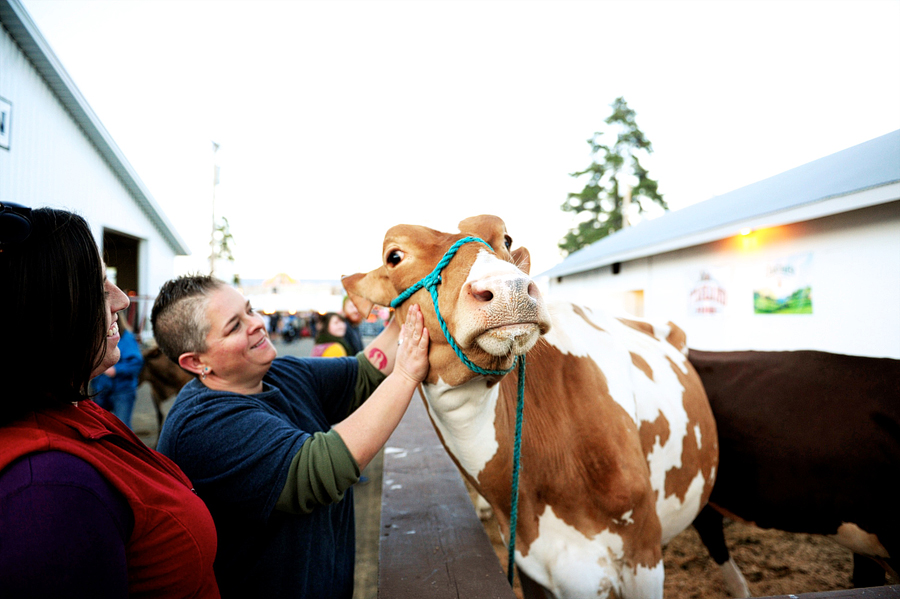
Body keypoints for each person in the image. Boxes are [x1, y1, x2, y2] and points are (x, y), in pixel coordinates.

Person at [150, 274, 429, 598]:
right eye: (234, 326)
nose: (256, 324)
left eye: (250, 310)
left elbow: (365, 371)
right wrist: (406, 375)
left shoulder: (277, 373)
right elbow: (321, 468)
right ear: (197, 362)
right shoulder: (202, 426)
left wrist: (413, 300)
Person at [0, 204, 219, 598]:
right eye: (100, 288)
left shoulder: (72, 409)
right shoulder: (47, 488)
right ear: (43, 311)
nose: (122, 301)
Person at [90, 311, 144, 428]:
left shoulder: (127, 338)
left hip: (122, 389)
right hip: (101, 389)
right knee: (99, 425)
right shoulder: (97, 337)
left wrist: (117, 370)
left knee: (122, 426)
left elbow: (136, 362)